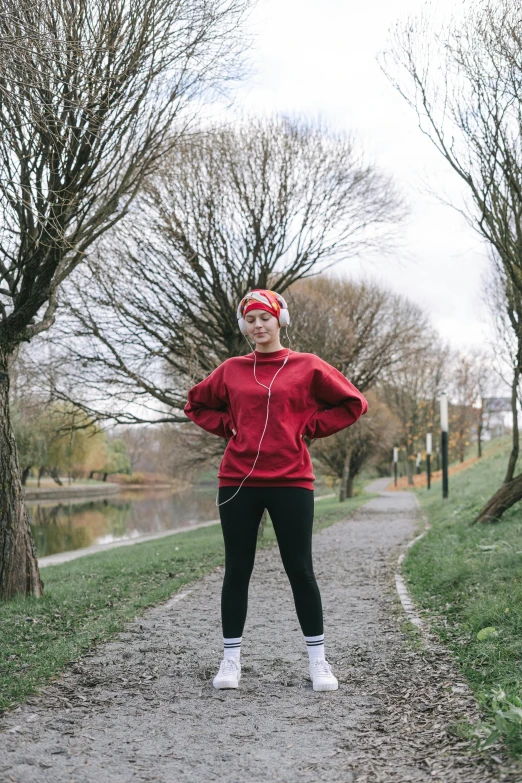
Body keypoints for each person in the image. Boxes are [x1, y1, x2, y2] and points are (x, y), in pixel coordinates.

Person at [184, 289, 368, 691]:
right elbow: (195, 404)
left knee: (300, 570)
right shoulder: (232, 369)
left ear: (279, 319)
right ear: (244, 325)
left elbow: (353, 403)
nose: (258, 325)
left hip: (292, 480)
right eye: (250, 319)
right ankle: (230, 662)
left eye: (265, 317)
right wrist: (226, 427)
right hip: (238, 482)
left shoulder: (307, 366)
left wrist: (309, 427)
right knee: (237, 570)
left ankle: (319, 663)